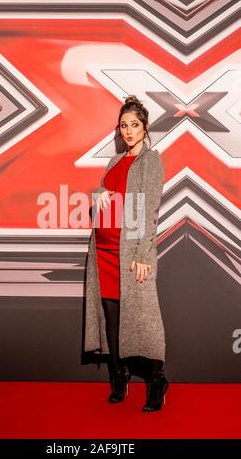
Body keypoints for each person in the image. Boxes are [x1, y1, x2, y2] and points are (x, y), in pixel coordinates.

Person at [84, 95, 168, 413]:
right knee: (112, 318)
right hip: (103, 251)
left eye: (134, 125)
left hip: (130, 252)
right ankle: (119, 377)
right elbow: (107, 192)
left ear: (145, 128)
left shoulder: (151, 161)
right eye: (124, 126)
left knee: (146, 322)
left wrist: (145, 255)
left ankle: (157, 381)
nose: (129, 131)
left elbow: (149, 210)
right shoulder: (114, 161)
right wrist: (99, 194)